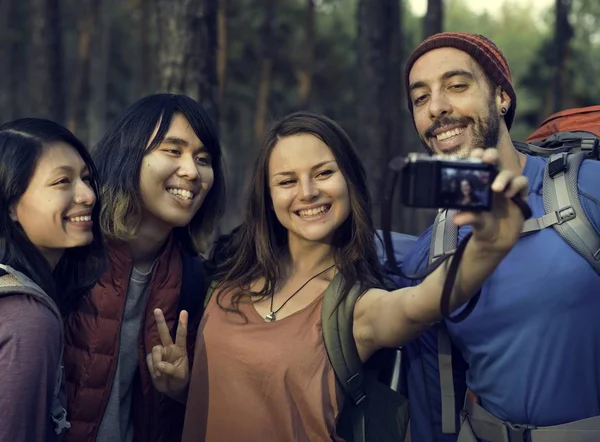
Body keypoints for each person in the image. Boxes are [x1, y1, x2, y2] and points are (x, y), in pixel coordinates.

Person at [146, 111, 529, 441]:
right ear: (267, 195)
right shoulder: (226, 273)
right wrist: (185, 387)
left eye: (324, 173)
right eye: (287, 181)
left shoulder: (354, 304)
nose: (308, 192)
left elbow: (418, 305)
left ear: (350, 181)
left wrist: (488, 246)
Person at [402, 32, 600, 441]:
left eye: (456, 86)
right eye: (420, 98)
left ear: (501, 98)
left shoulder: (587, 189)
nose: (436, 107)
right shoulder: (434, 247)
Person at [63, 94, 226, 442]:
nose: (192, 171)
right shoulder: (68, 255)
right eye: (173, 150)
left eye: (203, 158)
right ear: (128, 154)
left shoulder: (196, 279)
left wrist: (182, 389)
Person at [0, 118, 105, 442]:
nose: (88, 195)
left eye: (87, 179)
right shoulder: (28, 317)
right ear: (12, 204)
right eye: (62, 181)